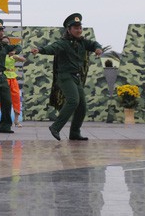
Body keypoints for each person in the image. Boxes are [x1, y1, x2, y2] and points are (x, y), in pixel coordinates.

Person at [30, 13, 102, 141]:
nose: (79, 30)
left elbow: (94, 44)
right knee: (73, 100)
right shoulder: (63, 43)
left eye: (80, 28)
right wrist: (40, 50)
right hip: (65, 76)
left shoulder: (82, 42)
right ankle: (55, 127)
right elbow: (52, 48)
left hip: (76, 77)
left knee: (82, 106)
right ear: (69, 30)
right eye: (75, 28)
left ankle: (74, 133)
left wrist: (98, 49)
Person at [2, 36, 26, 128]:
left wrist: (16, 56)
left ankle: (16, 120)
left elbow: (23, 59)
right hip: (3, 78)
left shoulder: (13, 54)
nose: (6, 44)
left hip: (12, 78)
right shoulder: (0, 53)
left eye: (7, 43)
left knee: (16, 97)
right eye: (4, 43)